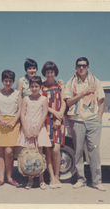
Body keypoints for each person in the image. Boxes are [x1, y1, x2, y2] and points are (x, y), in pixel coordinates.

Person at [64, 57, 106, 191]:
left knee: (94, 150)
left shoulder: (96, 82)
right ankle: (81, 179)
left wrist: (99, 118)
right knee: (78, 150)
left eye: (83, 65)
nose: (81, 68)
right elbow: (68, 102)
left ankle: (97, 181)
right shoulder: (70, 82)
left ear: (88, 67)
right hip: (77, 120)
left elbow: (102, 100)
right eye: (78, 65)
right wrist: (83, 93)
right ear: (76, 68)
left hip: (93, 120)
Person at [16, 76, 52, 190]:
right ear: (29, 87)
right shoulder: (26, 98)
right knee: (28, 155)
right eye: (32, 86)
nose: (34, 88)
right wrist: (25, 129)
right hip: (27, 128)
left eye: (37, 86)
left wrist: (37, 129)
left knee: (39, 155)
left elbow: (44, 114)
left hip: (39, 129)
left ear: (40, 87)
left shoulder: (43, 99)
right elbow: (22, 114)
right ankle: (30, 180)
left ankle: (41, 180)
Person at [0, 70, 22, 187]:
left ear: (13, 81)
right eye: (6, 81)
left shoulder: (17, 94)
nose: (8, 83)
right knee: (0, 151)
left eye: (10, 81)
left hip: (13, 123)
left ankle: (10, 177)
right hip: (0, 123)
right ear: (2, 81)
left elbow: (19, 109)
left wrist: (13, 121)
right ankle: (1, 178)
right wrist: (0, 120)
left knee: (9, 151)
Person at [41, 61, 66, 189]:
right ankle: (51, 177)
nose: (49, 73)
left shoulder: (60, 85)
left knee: (56, 149)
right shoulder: (42, 86)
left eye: (51, 71)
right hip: (46, 120)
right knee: (49, 150)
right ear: (44, 73)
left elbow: (64, 102)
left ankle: (57, 176)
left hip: (59, 120)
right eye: (47, 71)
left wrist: (59, 116)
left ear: (55, 72)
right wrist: (54, 112)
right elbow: (43, 104)